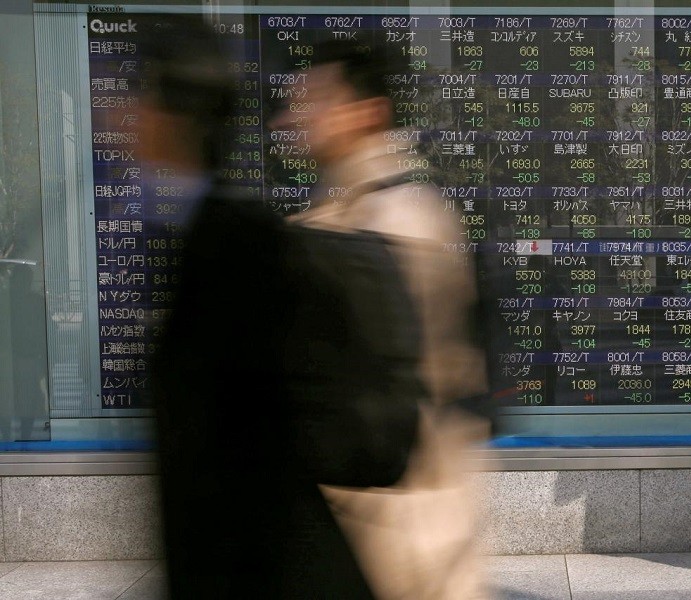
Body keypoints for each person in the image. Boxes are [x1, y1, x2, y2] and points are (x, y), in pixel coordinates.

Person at [144, 18, 417, 599]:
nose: (291, 120)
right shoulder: (229, 232)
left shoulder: (243, 242)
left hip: (327, 554)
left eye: (313, 101)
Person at [271, 39, 491, 599]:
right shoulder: (351, 206)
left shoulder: (399, 216)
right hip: (381, 506)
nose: (294, 116)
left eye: (315, 100)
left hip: (404, 516)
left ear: (369, 111)